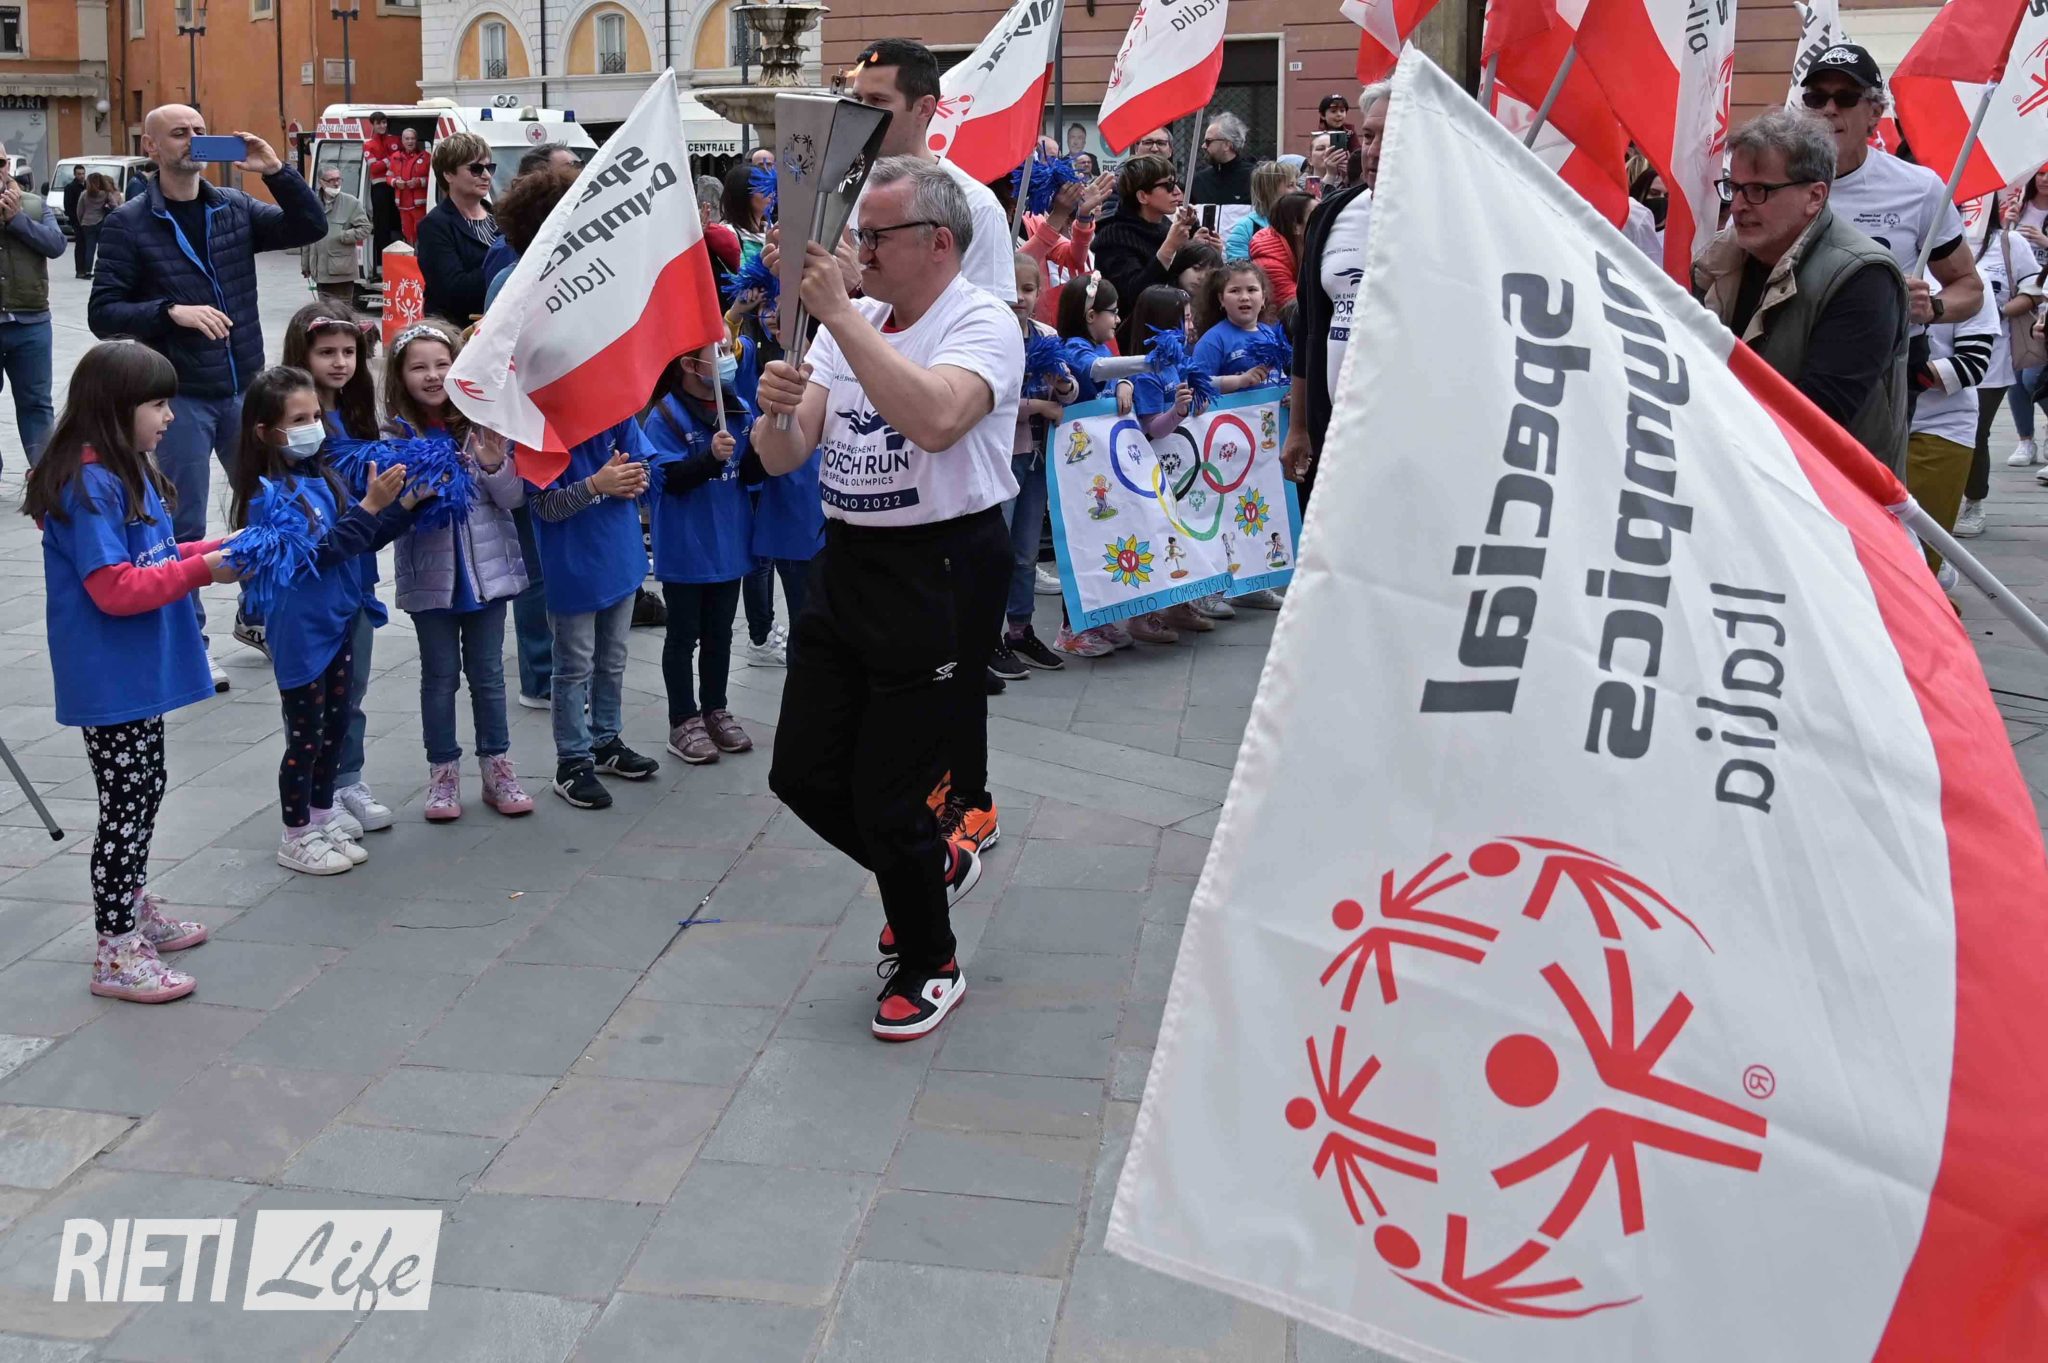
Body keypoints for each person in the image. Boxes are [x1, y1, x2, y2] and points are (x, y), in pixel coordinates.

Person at [752, 157, 1019, 1039]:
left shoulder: (981, 320)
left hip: (941, 565)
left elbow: (938, 418)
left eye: (876, 236)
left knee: (888, 790)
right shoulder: (854, 322)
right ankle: (929, 864)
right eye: (859, 234)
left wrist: (838, 316)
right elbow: (784, 455)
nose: (858, 251)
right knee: (799, 771)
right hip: (848, 557)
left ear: (938, 242)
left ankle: (931, 960)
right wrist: (775, 407)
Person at [88, 105, 326, 688]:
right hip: (180, 396)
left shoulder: (233, 206)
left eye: (199, 131)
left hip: (245, 387)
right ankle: (191, 640)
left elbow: (309, 227)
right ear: (151, 147)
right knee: (185, 519)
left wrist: (277, 170)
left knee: (266, 505)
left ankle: (257, 616)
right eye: (179, 133)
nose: (193, 140)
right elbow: (103, 312)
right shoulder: (130, 222)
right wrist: (170, 311)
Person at [25, 340, 231, 1003]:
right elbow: (114, 587)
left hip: (134, 671)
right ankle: (115, 949)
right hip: (109, 675)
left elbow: (155, 553)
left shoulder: (124, 470)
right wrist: (204, 570)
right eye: (158, 404)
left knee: (144, 789)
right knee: (126, 804)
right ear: (117, 409)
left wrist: (215, 548)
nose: (169, 417)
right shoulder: (90, 484)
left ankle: (134, 911)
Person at [229, 366, 425, 875]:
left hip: (337, 620)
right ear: (265, 432)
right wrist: (370, 505)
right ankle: (296, 833)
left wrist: (404, 504)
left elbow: (361, 537)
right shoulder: (266, 495)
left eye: (315, 415)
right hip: (300, 631)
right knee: (306, 736)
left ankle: (322, 816)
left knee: (335, 725)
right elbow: (321, 552)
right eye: (299, 419)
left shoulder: (323, 478)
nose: (313, 426)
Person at [1692, 111, 1908, 470]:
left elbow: (1821, 415)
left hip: (1829, 490)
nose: (1739, 205)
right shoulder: (1718, 262)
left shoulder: (1864, 274)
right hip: (1735, 472)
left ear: (1814, 196)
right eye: (1735, 187)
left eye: (1758, 190)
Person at [381, 321, 536, 819]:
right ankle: (443, 774)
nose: (432, 375)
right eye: (418, 367)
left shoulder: (481, 422)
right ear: (399, 375)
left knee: (489, 675)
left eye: (442, 364)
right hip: (430, 580)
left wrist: (493, 464)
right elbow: (388, 511)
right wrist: (414, 493)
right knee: (439, 676)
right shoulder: (393, 435)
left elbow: (513, 499)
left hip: (488, 576)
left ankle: (498, 768)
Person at [281, 304, 393, 834]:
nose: (341, 362)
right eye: (327, 352)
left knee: (352, 692)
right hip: (310, 589)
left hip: (356, 577)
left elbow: (370, 522)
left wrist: (406, 502)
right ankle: (311, 803)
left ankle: (347, 781)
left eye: (349, 352)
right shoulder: (291, 429)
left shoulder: (358, 416)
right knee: (311, 703)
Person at [527, 403, 662, 810]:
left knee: (613, 659)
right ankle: (571, 761)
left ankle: (606, 740)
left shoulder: (613, 408)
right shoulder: (538, 423)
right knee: (573, 667)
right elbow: (544, 506)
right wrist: (595, 485)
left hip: (620, 555)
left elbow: (645, 467)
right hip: (572, 566)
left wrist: (635, 479)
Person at [1798, 45, 1983, 328]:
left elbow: (1969, 287)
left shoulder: (1919, 187)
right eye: (1816, 98)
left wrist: (1931, 308)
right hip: (1793, 352)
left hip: (1890, 353)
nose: (1829, 109)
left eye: (1846, 98)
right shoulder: (1774, 181)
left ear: (1875, 113)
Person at [643, 345, 759, 764]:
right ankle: (682, 719)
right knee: (682, 636)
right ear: (689, 365)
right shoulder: (666, 415)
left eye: (727, 348)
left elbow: (752, 472)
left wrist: (765, 442)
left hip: (729, 543)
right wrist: (710, 458)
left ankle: (715, 709)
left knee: (720, 633)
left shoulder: (738, 407)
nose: (727, 357)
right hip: (686, 548)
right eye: (717, 351)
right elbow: (669, 479)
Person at [848, 38, 1017, 303]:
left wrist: (858, 285)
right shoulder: (841, 188)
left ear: (924, 108)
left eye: (878, 101)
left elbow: (991, 319)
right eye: (858, 99)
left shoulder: (977, 205)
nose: (861, 113)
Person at [1287, 81, 1385, 495]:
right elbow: (1309, 326)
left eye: (1390, 137)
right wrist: (1298, 427)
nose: (1374, 151)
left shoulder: (1450, 221)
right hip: (1331, 429)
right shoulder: (1332, 213)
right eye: (1369, 136)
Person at [993, 252, 1083, 675]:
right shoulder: (991, 333)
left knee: (1027, 552)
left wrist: (1062, 385)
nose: (1020, 298)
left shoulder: (1046, 334)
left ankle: (1020, 629)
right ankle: (987, 635)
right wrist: (1040, 407)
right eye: (1012, 290)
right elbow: (992, 402)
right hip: (1004, 456)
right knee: (999, 549)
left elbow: (1069, 390)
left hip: (1039, 457)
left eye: (1028, 289)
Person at [1906, 277, 1997, 590]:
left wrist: (1899, 373)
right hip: (1864, 419)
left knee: (1919, 545)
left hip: (1940, 423)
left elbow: (1973, 364)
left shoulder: (1971, 283)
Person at [1955, 222, 2028, 537]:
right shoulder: (1932, 237)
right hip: (1933, 352)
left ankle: (1974, 501)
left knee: (1976, 430)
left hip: (1991, 358)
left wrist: (1998, 313)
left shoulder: (2009, 242)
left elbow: (2033, 290)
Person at [0, 138, 62, 476]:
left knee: (37, 403)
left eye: (0, 163)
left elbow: (56, 245)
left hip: (31, 323)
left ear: (7, 165)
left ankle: (45, 477)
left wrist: (18, 220)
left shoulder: (34, 205)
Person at [1095, 155, 1216, 321]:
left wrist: (1202, 250)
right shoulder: (1114, 236)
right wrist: (1169, 247)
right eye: (1168, 186)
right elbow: (1136, 295)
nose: (1177, 191)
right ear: (1143, 196)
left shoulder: (1165, 225)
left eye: (1175, 183)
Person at [414, 131, 500, 327]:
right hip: (458, 332)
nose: (486, 175)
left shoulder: (502, 218)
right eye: (476, 169)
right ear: (448, 174)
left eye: (490, 168)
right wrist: (504, 264)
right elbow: (453, 290)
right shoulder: (434, 225)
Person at [1022, 170, 1113, 326]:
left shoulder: (1032, 219)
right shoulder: (987, 216)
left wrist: (1084, 215)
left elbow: (1074, 258)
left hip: (1038, 324)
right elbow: (1014, 268)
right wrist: (1059, 214)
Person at [301, 166, 370, 304]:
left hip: (341, 271)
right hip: (320, 272)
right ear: (321, 182)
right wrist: (306, 265)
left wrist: (343, 235)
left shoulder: (351, 203)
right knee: (326, 311)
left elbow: (365, 228)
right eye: (331, 180)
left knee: (342, 311)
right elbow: (307, 236)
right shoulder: (312, 203)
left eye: (339, 179)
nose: (336, 183)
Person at [1250, 191, 1311, 310]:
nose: (1324, 220)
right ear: (1296, 226)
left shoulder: (1310, 247)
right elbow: (1301, 309)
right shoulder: (1269, 264)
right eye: (1316, 215)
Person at [1227, 159, 1299, 260]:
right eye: (1290, 185)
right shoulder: (1246, 227)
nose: (1298, 190)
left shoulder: (1300, 221)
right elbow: (1238, 266)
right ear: (1270, 189)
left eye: (1297, 184)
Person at [363, 111, 402, 266]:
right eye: (379, 123)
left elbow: (401, 160)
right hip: (379, 187)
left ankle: (398, 256)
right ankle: (381, 262)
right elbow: (374, 168)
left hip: (395, 185)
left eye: (384, 122)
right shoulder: (369, 144)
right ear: (373, 124)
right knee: (382, 224)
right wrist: (390, 159)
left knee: (397, 222)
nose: (382, 126)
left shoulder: (395, 140)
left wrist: (384, 162)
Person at [1191, 113, 1255, 206]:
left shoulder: (1253, 179)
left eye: (1208, 141)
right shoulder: (1200, 181)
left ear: (1226, 145)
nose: (1203, 146)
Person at [721, 162, 770, 270]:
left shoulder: (771, 230)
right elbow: (740, 276)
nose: (771, 194)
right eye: (762, 188)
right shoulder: (727, 234)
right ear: (742, 193)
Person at [390, 128, 432, 246]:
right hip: (403, 206)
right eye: (407, 139)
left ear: (416, 140)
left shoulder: (427, 157)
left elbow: (434, 180)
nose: (410, 141)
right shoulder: (395, 157)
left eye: (412, 138)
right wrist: (395, 182)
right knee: (408, 238)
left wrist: (419, 182)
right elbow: (388, 176)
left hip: (420, 206)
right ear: (402, 141)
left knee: (422, 235)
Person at [72, 172, 116, 281]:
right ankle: (102, 270)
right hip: (101, 222)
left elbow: (79, 210)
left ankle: (87, 271)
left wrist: (81, 221)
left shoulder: (84, 194)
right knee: (102, 247)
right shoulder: (106, 194)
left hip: (87, 223)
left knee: (89, 248)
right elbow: (115, 206)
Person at [61, 163, 85, 235]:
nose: (82, 176)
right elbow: (67, 205)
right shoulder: (70, 188)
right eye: (79, 174)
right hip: (76, 220)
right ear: (75, 174)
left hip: (87, 219)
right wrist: (74, 219)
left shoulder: (88, 185)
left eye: (83, 173)